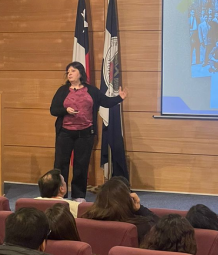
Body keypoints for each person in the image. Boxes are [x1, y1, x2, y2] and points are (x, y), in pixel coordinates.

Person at [50, 61, 128, 202]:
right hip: (65, 133)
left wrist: (119, 98)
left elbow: (105, 101)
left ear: (80, 73)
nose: (70, 74)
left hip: (85, 134)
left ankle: (78, 195)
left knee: (81, 165)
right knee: (61, 165)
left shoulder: (91, 90)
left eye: (72, 71)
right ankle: (59, 194)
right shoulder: (62, 91)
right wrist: (65, 110)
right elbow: (53, 110)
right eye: (68, 72)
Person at [81, 176, 158, 244]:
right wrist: (140, 209)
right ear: (129, 199)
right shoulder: (141, 227)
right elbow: (162, 230)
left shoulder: (83, 222)